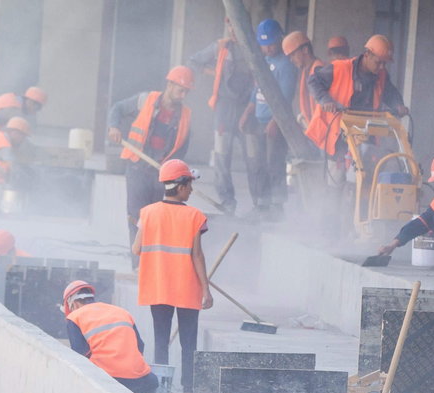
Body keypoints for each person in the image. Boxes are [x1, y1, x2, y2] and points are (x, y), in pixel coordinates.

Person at [132, 159, 213, 393]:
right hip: (187, 289)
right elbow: (197, 255)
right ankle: (188, 390)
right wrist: (206, 290)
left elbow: (137, 248)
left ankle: (162, 390)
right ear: (179, 186)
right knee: (189, 342)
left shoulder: (147, 214)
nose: (191, 190)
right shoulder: (195, 216)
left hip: (158, 287)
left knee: (161, 340)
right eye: (189, 185)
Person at [108, 66, 193, 267]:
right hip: (137, 167)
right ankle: (137, 265)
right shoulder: (146, 100)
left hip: (160, 174)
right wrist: (114, 127)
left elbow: (182, 148)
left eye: (186, 91)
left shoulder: (185, 116)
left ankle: (149, 265)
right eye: (180, 89)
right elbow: (117, 109)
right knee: (136, 216)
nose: (182, 95)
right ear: (169, 84)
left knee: (154, 220)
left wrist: (172, 170)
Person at [188, 18, 255, 215]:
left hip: (247, 111)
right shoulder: (220, 47)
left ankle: (260, 203)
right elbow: (193, 61)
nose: (234, 32)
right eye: (231, 27)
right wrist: (214, 72)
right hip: (224, 110)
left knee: (253, 158)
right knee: (221, 156)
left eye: (238, 27)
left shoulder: (254, 49)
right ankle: (227, 201)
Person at [306, 34, 408, 158]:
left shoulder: (381, 75)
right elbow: (313, 81)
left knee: (368, 172)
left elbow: (391, 93)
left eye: (384, 64)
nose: (382, 67)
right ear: (367, 55)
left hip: (363, 135)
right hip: (335, 135)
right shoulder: (341, 68)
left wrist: (398, 105)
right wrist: (325, 100)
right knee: (337, 175)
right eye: (378, 62)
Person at [238, 19, 297, 220]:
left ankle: (277, 207)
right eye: (264, 45)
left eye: (271, 44)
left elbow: (285, 96)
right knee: (259, 164)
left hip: (276, 124)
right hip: (258, 121)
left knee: (275, 164)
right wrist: (248, 111)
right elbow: (257, 90)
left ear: (280, 39)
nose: (268, 48)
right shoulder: (264, 62)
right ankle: (261, 205)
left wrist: (275, 121)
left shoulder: (286, 64)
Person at [63, 280, 159, 393]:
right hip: (142, 382)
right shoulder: (122, 312)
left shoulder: (75, 317)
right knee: (154, 385)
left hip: (109, 381)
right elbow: (140, 346)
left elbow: (80, 355)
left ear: (73, 304)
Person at [282, 31, 323, 129]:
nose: (291, 60)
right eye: (289, 57)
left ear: (305, 49)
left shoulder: (319, 70)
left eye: (293, 54)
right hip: (314, 132)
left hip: (323, 135)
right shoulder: (306, 71)